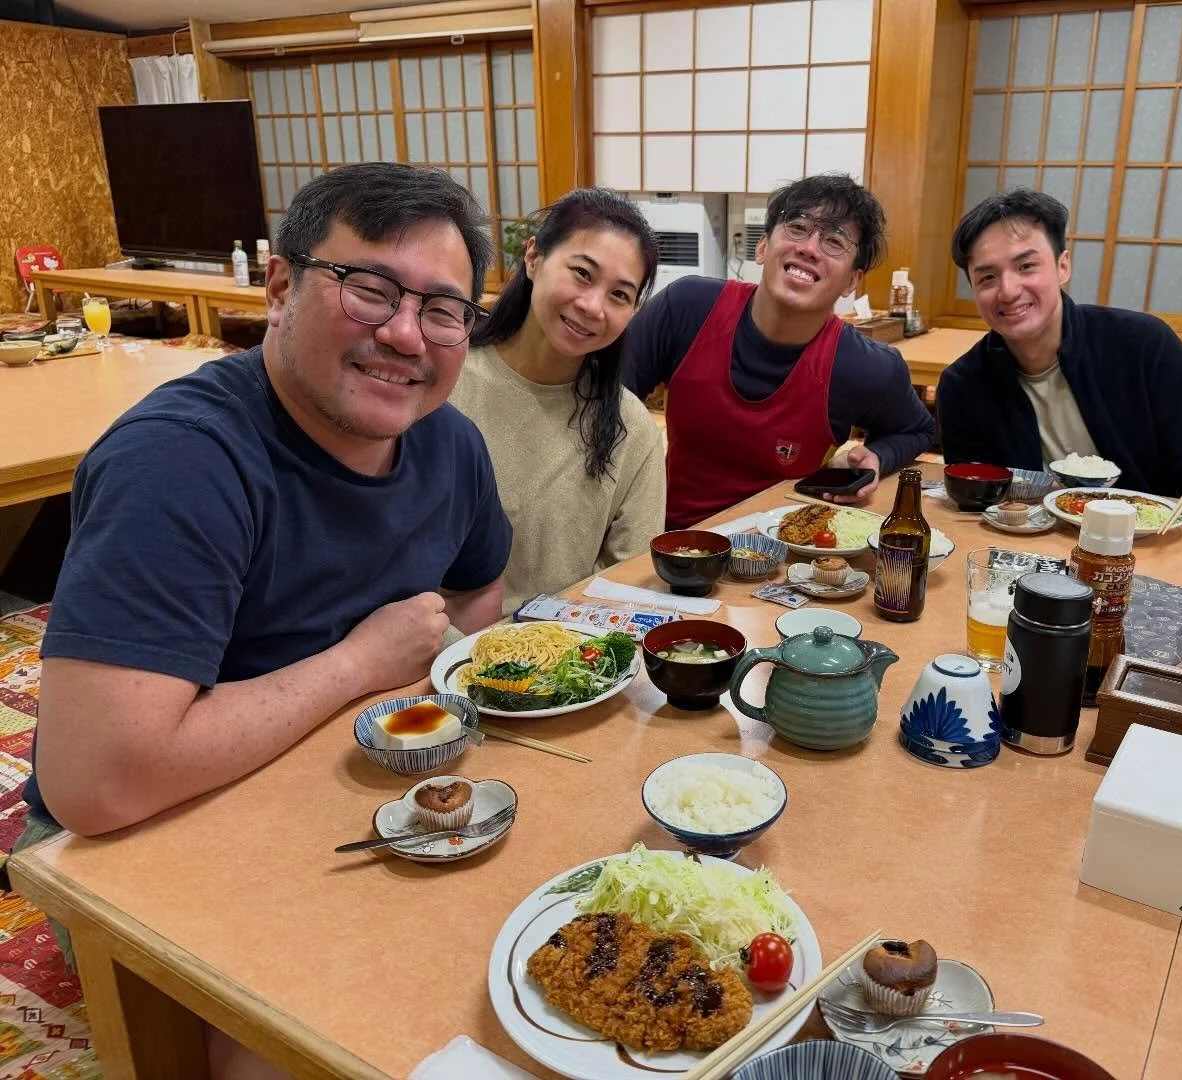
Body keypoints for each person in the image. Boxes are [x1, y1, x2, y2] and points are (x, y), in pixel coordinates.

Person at [23, 162, 511, 845]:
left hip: (333, 781)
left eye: (441, 311)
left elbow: (477, 585)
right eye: (370, 291)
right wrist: (357, 666)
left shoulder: (450, 444)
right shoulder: (179, 462)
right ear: (281, 289)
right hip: (131, 838)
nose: (406, 335)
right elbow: (96, 786)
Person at [622, 174, 935, 528]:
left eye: (834, 240)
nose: (810, 248)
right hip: (676, 540)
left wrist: (878, 455)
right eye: (798, 227)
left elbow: (916, 430)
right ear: (762, 247)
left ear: (851, 281)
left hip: (789, 554)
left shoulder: (862, 365)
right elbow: (608, 400)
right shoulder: (687, 307)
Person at [937, 188, 1182, 505]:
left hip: (1152, 542)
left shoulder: (1143, 345)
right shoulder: (963, 385)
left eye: (1026, 266)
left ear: (1062, 266)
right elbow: (975, 502)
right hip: (1030, 548)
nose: (1009, 290)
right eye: (987, 277)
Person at [452, 188, 664, 614]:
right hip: (430, 655)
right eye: (583, 273)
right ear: (533, 258)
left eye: (619, 295)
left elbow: (629, 581)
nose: (592, 306)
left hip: (567, 658)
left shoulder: (631, 425)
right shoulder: (446, 380)